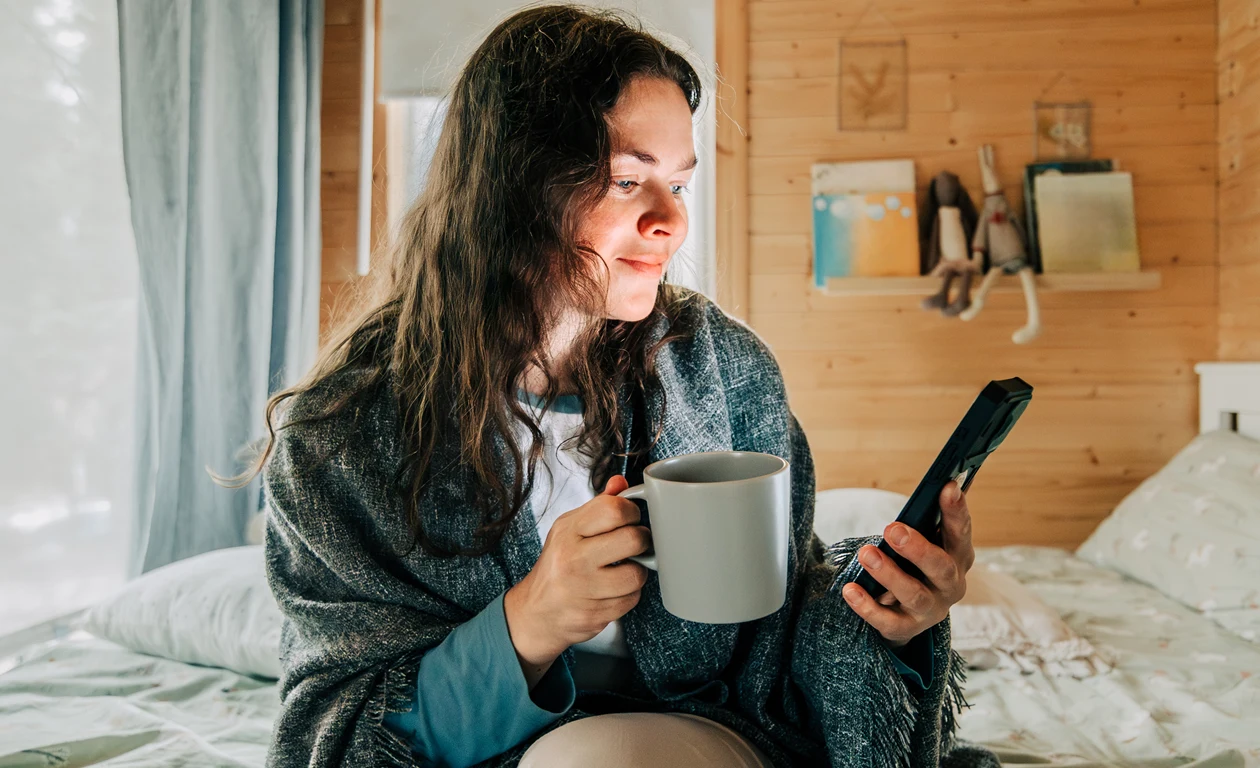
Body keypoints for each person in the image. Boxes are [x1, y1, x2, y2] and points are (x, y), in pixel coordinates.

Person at [235, 6, 992, 767]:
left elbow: (785, 623)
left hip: (720, 736)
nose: (670, 221)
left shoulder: (726, 369)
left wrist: (892, 612)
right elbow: (333, 739)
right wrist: (529, 622)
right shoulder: (342, 436)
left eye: (680, 186)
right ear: (514, 189)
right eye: (629, 180)